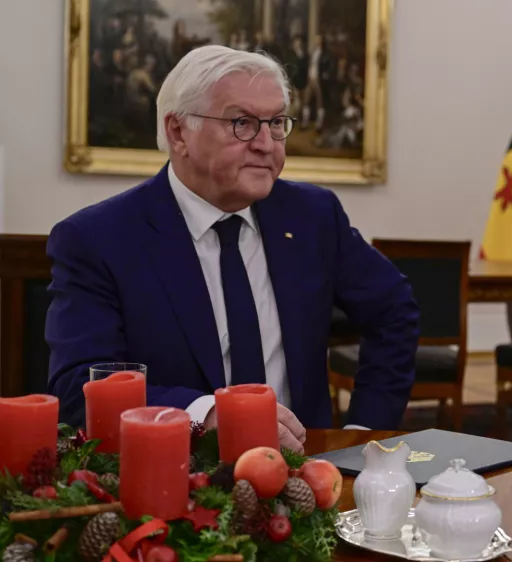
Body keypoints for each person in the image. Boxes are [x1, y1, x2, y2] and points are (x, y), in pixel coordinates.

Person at [46, 45, 419, 452]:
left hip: (304, 483)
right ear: (177, 132)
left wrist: (364, 435)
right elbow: (80, 385)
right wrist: (204, 415)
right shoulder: (99, 239)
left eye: (276, 122)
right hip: (172, 482)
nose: (266, 143)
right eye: (242, 122)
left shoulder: (312, 216)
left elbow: (394, 310)